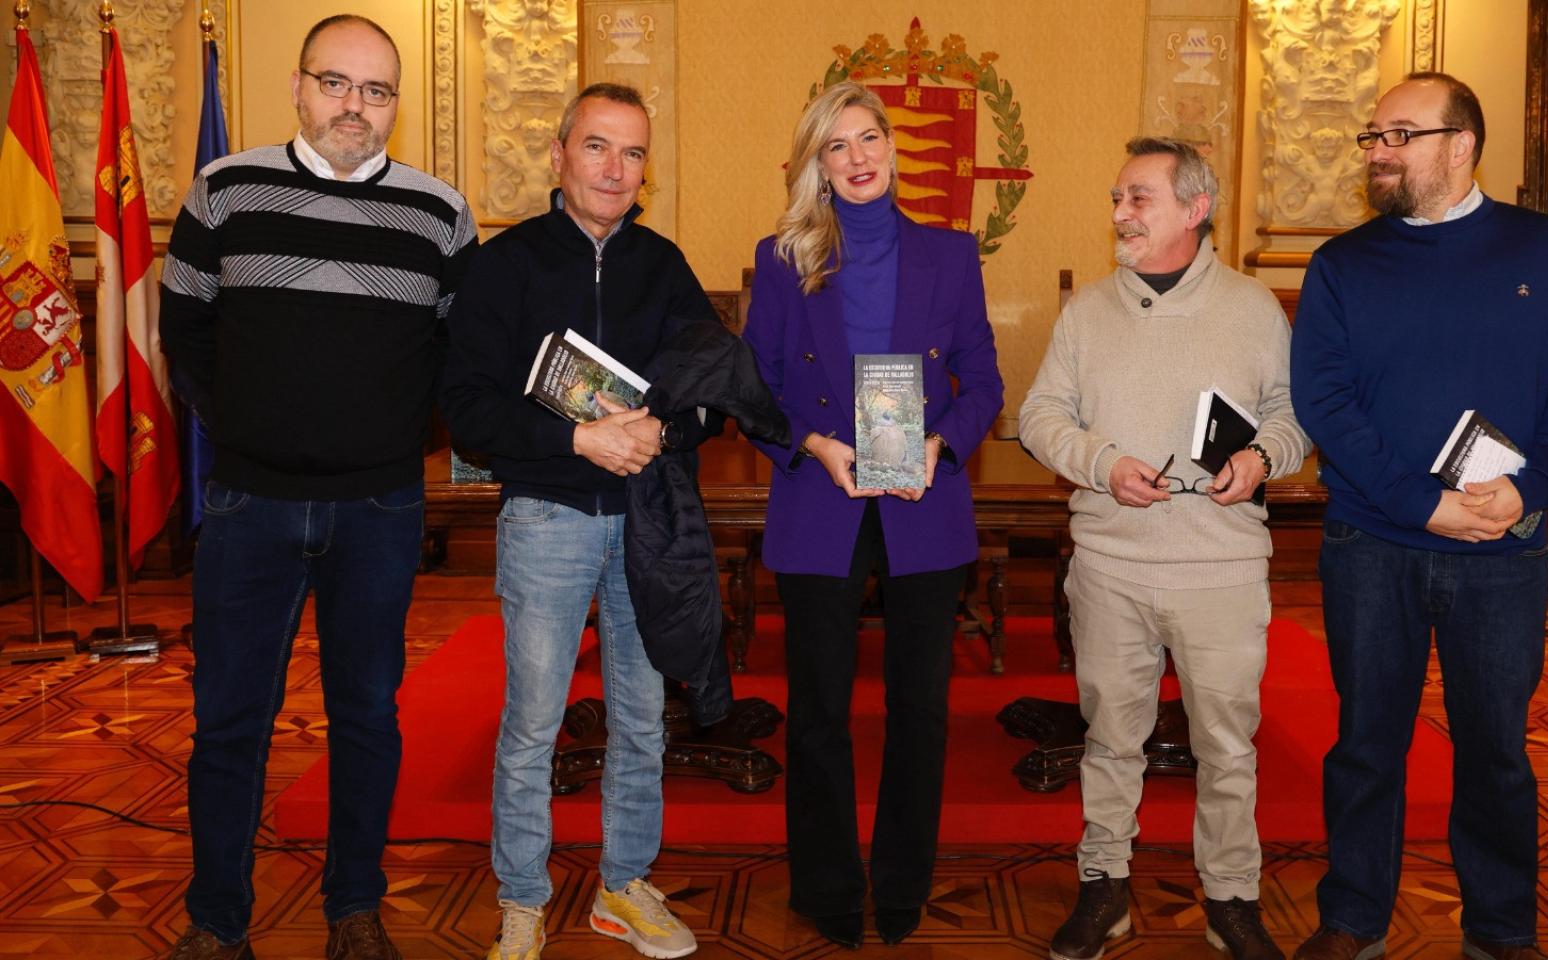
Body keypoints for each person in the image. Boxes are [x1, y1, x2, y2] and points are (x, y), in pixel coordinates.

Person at [157, 14, 477, 960]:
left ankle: (354, 909)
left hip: (380, 510)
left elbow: (458, 356)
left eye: (377, 91)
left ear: (396, 106)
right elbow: (187, 333)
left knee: (369, 720)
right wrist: (251, 433)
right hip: (249, 505)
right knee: (228, 723)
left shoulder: (439, 214)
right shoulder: (225, 192)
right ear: (298, 88)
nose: (355, 106)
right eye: (337, 83)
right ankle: (217, 923)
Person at [1289, 73, 1548, 960]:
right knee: (1365, 746)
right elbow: (1324, 400)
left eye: (1399, 135)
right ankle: (1353, 919)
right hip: (1371, 544)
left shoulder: (1546, 251)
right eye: (1373, 136)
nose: (1379, 151)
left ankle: (1502, 931)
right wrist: (1420, 504)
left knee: (1496, 751)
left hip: (1504, 544)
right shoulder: (1342, 264)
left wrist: (1532, 486)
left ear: (1461, 143)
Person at [441, 82, 719, 960]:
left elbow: (714, 389)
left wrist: (660, 431)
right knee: (533, 722)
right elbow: (469, 410)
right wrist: (578, 439)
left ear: (647, 172)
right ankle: (522, 897)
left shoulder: (665, 266)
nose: (614, 168)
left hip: (647, 521)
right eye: (597, 147)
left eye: (633, 153)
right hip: (547, 515)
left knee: (643, 716)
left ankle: (623, 885)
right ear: (559, 154)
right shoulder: (504, 263)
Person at [1019, 137, 1307, 960]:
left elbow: (1295, 414)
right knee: (1110, 741)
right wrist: (1103, 465)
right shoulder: (1087, 313)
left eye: (1138, 198)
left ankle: (1231, 900)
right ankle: (1103, 890)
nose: (1119, 215)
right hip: (1110, 567)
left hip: (1219, 567)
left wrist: (1262, 458)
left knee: (1226, 748)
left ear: (1195, 207)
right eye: (1116, 198)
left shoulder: (1255, 309)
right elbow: (1040, 417)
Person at [740, 80, 1004, 950]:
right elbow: (761, 388)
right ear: (816, 163)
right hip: (822, 498)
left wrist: (941, 446)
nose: (857, 159)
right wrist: (815, 443)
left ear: (893, 148)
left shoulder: (951, 255)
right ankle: (825, 884)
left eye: (868, 139)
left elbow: (985, 384)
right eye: (836, 146)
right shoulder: (782, 259)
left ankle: (901, 882)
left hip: (922, 501)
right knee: (817, 709)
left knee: (919, 708)